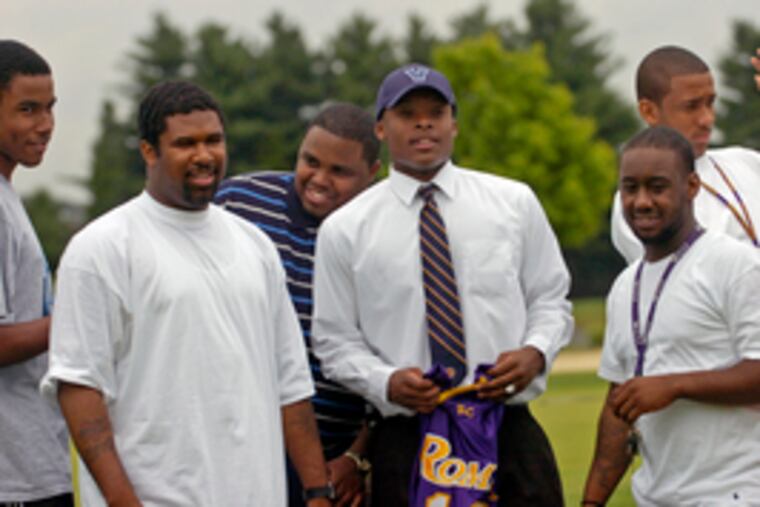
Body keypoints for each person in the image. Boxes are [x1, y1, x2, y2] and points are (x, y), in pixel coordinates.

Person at [41, 81, 332, 506]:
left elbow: (291, 386)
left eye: (214, 140)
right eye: (185, 143)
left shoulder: (254, 245)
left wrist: (318, 492)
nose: (204, 155)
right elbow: (80, 389)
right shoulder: (101, 249)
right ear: (148, 151)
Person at [311, 63, 573, 506]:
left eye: (436, 111)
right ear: (380, 126)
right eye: (406, 112)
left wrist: (536, 352)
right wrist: (385, 382)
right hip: (409, 437)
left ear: (454, 122)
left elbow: (550, 299)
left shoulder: (513, 203)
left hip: (506, 428)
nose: (424, 122)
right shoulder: (345, 229)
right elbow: (334, 340)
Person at [583, 126, 760, 506]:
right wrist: (591, 501)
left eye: (657, 187)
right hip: (655, 495)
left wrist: (674, 385)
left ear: (692, 186)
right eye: (630, 188)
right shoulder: (624, 287)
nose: (642, 201)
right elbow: (619, 405)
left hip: (735, 493)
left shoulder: (736, 265)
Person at [214, 102, 380, 506]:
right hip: (238, 453)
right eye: (310, 161)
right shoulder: (236, 203)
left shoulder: (383, 234)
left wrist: (356, 458)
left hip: (335, 462)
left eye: (339, 172)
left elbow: (395, 359)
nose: (319, 180)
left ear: (373, 175)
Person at [0, 40, 73, 506]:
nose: (44, 125)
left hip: (33, 464)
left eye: (49, 108)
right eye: (28, 109)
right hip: (13, 477)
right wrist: (79, 313)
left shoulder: (8, 195)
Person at [611, 45, 760, 263]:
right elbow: (689, 278)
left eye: (710, 103)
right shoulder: (640, 198)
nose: (707, 118)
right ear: (649, 111)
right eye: (692, 107)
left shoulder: (745, 161)